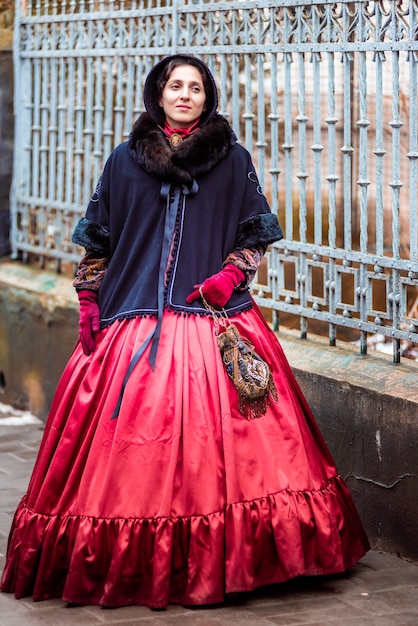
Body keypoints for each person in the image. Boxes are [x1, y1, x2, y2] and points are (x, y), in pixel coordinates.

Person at [1, 55, 369, 609]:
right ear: (158, 93)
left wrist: (228, 274)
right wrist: (87, 297)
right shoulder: (125, 161)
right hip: (131, 320)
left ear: (207, 97)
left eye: (195, 87)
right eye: (176, 85)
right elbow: (97, 239)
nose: (185, 94)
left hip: (212, 320)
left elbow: (255, 233)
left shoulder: (233, 159)